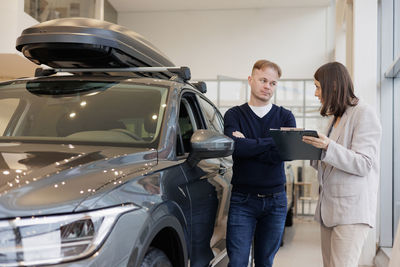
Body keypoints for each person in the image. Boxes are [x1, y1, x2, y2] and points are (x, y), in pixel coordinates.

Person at [302, 61, 381, 267]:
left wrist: (328, 147)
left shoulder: (364, 113)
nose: (316, 93)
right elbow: (331, 162)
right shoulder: (335, 118)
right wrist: (311, 150)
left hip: (351, 211)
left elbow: (364, 163)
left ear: (333, 86)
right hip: (330, 209)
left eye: (318, 87)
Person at [223, 59, 296, 267]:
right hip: (242, 200)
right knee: (237, 261)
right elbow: (237, 149)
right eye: (263, 80)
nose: (267, 86)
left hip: (276, 201)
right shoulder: (234, 114)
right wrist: (274, 142)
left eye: (273, 83)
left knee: (265, 262)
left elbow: (285, 154)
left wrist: (248, 143)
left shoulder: (285, 116)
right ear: (250, 80)